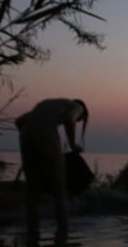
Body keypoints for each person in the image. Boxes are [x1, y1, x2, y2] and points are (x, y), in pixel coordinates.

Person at [15, 98, 89, 239]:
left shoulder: (50, 105)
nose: (78, 121)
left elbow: (18, 121)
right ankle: (63, 234)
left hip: (25, 134)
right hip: (46, 131)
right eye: (80, 120)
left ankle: (33, 233)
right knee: (59, 192)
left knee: (32, 194)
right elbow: (69, 118)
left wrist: (33, 136)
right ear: (83, 113)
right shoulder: (77, 107)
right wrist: (73, 145)